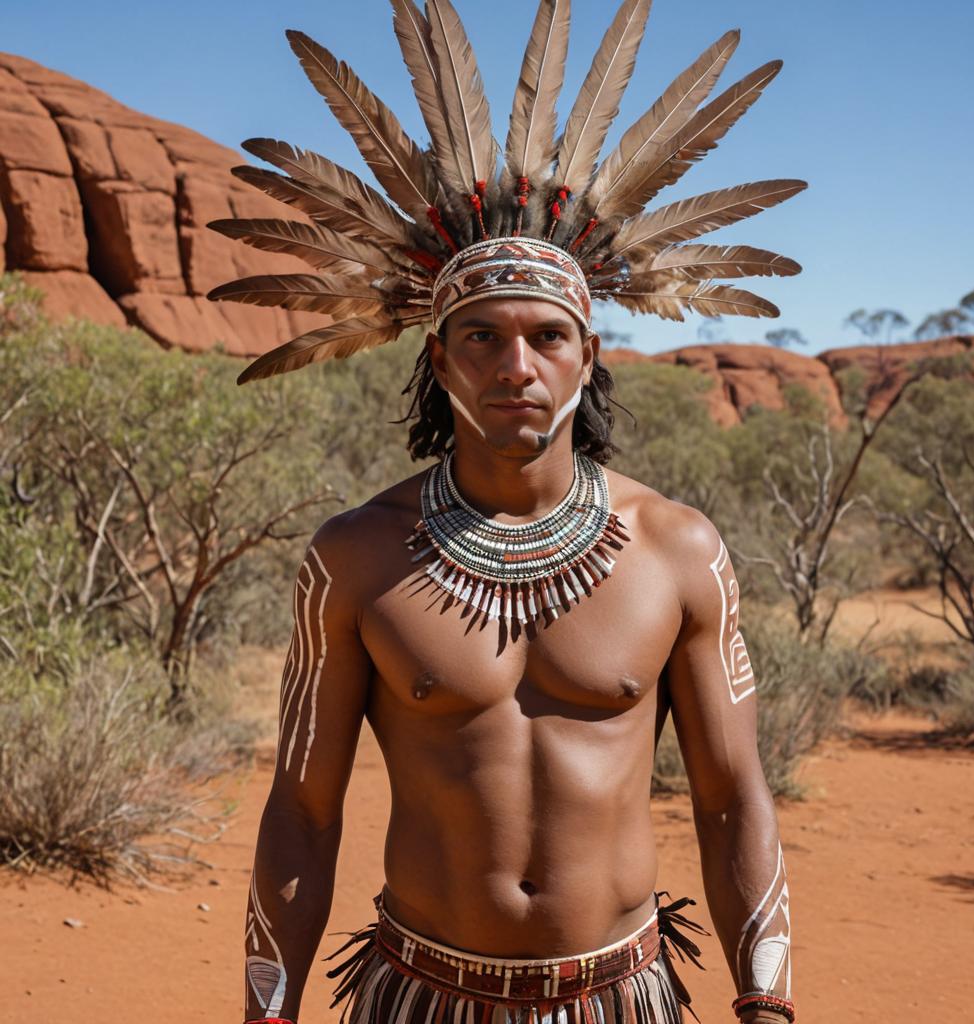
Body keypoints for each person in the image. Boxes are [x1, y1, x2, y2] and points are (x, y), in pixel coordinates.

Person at [217, 4, 804, 1024]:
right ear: (436, 358)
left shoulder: (676, 550)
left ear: (588, 355)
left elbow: (732, 795)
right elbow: (303, 809)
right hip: (418, 992)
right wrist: (267, 1009)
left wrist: (768, 1005)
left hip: (620, 997)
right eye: (480, 338)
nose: (514, 367)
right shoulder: (354, 558)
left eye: (545, 337)